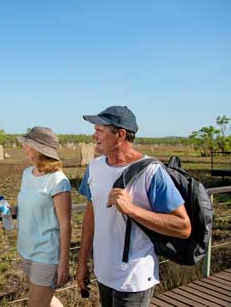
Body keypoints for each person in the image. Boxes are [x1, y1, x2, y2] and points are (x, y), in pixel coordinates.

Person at [76, 106, 191, 307]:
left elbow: (183, 227)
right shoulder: (94, 168)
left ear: (120, 135)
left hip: (134, 278)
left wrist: (132, 209)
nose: (94, 136)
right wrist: (82, 262)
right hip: (103, 273)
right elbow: (90, 216)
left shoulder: (152, 173)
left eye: (99, 131)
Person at [14, 126, 72, 307]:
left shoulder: (58, 180)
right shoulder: (27, 174)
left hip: (46, 254)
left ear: (39, 149)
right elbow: (29, 205)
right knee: (47, 300)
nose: (24, 146)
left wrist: (63, 262)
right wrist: (11, 209)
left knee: (36, 304)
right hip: (26, 249)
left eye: (27, 144)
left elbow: (65, 224)